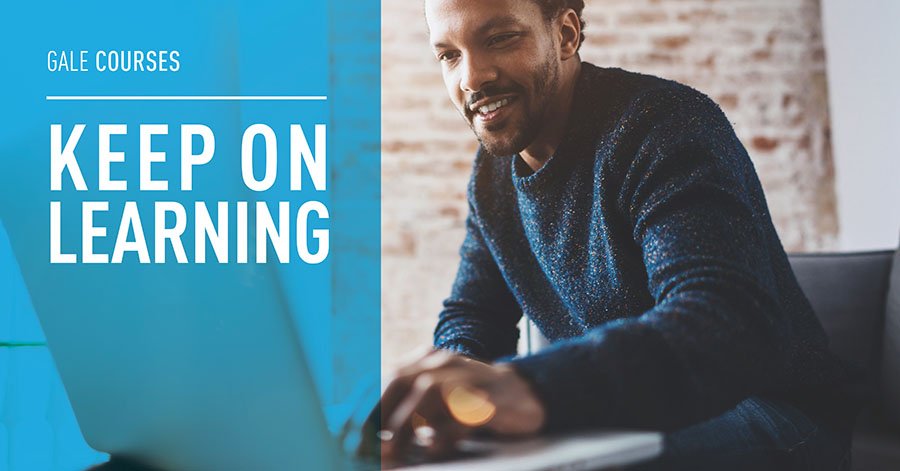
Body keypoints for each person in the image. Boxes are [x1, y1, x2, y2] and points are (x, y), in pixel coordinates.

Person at [376, 0, 857, 469]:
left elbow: (723, 321)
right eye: (449, 54)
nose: (472, 77)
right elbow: (473, 316)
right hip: (631, 415)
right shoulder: (493, 176)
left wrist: (533, 387)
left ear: (565, 35)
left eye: (500, 39)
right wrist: (443, 397)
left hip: (775, 412)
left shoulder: (662, 125)